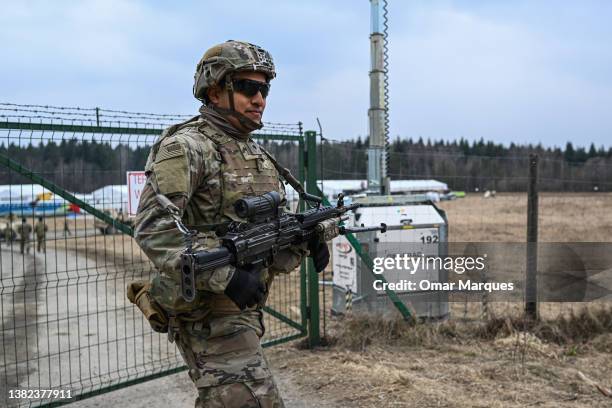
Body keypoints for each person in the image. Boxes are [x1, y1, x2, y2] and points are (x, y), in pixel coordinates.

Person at [133, 40, 329, 407]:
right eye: (247, 87)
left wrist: (306, 238)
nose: (259, 99)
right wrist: (228, 277)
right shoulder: (188, 148)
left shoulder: (256, 152)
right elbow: (152, 228)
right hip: (207, 310)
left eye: (264, 89)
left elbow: (265, 230)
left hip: (243, 312)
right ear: (214, 90)